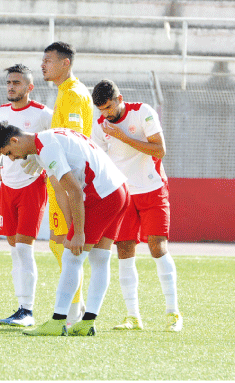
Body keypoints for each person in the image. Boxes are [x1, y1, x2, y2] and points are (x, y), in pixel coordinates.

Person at [0, 122, 129, 336]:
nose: (12, 159)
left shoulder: (47, 148)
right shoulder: (49, 137)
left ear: (14, 140)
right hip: (119, 188)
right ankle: (87, 322)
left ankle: (58, 320)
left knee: (71, 258)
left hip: (103, 195)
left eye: (9, 153)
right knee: (100, 258)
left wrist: (79, 232)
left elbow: (72, 190)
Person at [91, 79, 183, 332]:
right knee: (124, 250)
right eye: (101, 110)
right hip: (123, 194)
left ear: (119, 99)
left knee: (157, 247)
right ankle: (133, 316)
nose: (105, 114)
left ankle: (173, 314)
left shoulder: (143, 112)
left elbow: (159, 150)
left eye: (108, 108)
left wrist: (123, 136)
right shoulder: (99, 124)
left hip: (152, 189)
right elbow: (98, 160)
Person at [0, 64, 52, 327]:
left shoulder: (43, 114)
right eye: (8, 82)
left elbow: (53, 142)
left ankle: (27, 310)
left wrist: (40, 161)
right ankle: (20, 306)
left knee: (25, 248)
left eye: (16, 82)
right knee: (14, 248)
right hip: (8, 186)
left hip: (31, 185)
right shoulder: (1, 112)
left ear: (29, 87)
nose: (11, 87)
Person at [40, 41, 93, 326]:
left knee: (66, 244)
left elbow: (71, 141)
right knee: (58, 242)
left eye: (48, 60)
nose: (43, 65)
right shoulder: (65, 93)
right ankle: (77, 304)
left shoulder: (72, 94)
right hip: (60, 177)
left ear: (65, 63)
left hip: (66, 178)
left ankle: (74, 309)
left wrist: (59, 176)